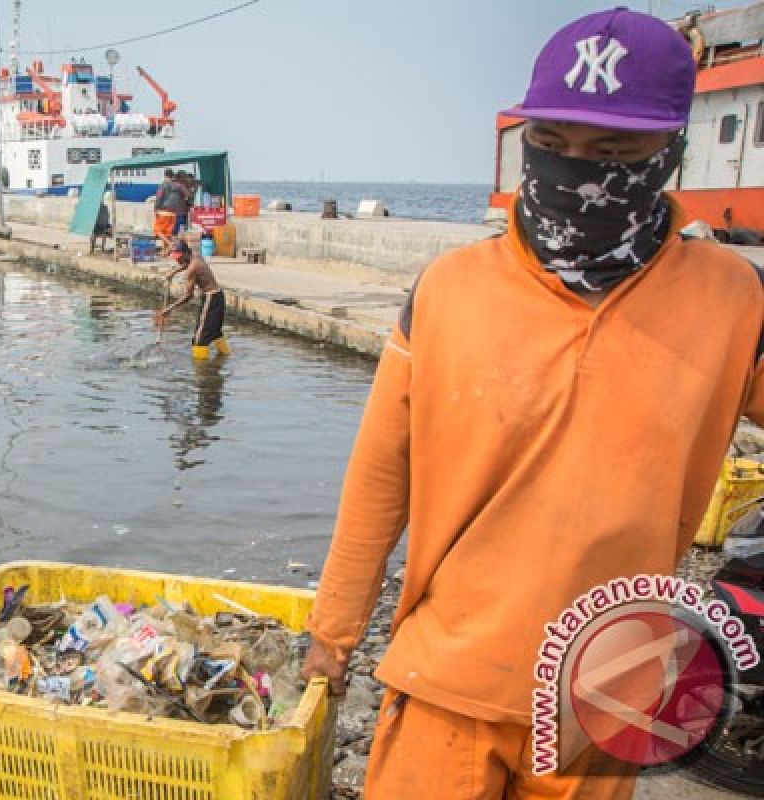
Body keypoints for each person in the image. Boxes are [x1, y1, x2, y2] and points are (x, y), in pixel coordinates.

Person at [302, 9, 764, 799]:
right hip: (451, 673)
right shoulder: (451, 290)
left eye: (614, 151)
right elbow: (380, 478)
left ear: (669, 155)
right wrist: (333, 635)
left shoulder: (735, 300)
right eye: (550, 145)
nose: (575, 169)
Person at [157, 239, 231, 358]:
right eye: (175, 257)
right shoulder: (196, 256)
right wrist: (173, 272)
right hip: (218, 296)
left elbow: (188, 296)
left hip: (211, 299)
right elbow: (185, 263)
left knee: (199, 340)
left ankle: (201, 371)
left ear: (186, 253)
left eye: (179, 257)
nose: (177, 260)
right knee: (215, 332)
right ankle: (224, 357)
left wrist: (169, 309)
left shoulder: (193, 269)